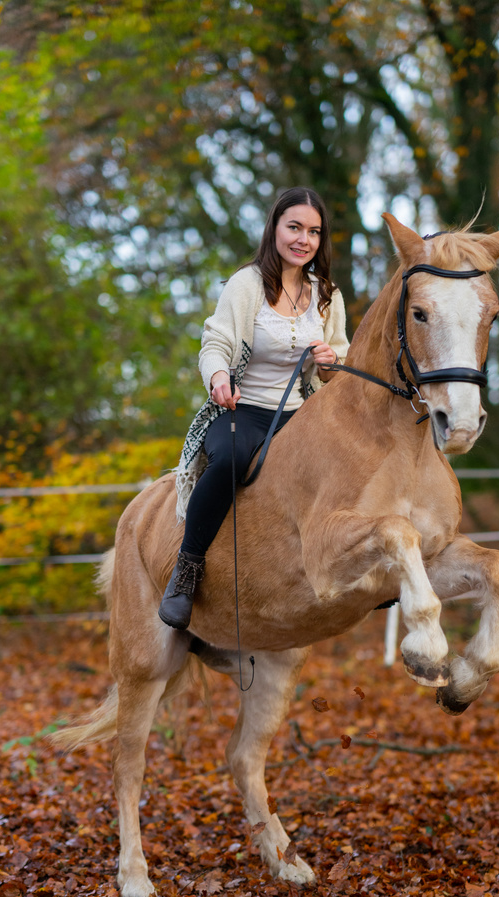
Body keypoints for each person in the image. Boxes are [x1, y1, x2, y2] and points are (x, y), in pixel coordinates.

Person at [159, 186, 350, 630]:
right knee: (228, 459)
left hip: (301, 415)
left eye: (314, 232)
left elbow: (339, 365)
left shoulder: (327, 295)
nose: (304, 239)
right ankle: (186, 570)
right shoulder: (247, 284)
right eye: (295, 228)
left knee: (349, 461)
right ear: (275, 229)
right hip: (243, 410)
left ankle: (363, 565)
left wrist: (330, 362)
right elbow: (216, 342)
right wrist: (218, 376)